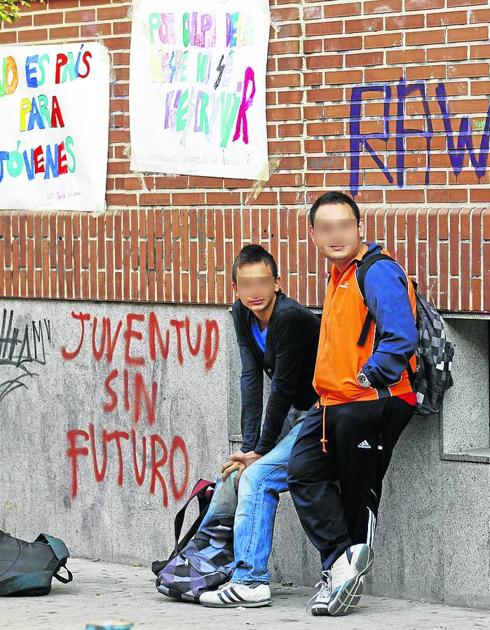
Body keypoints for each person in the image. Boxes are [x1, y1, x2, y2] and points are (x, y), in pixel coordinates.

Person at [287, 191, 418, 617]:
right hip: (333, 402)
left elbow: (402, 334)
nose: (336, 235)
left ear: (360, 228)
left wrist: (368, 376)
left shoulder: (376, 272)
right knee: (303, 472)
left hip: (370, 401)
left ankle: (344, 574)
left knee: (357, 494)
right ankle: (341, 565)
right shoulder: (339, 274)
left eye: (344, 226)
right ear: (312, 234)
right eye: (325, 228)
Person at [199, 244, 320, 608]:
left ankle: (251, 580)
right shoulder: (242, 313)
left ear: (277, 284)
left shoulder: (290, 318)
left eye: (262, 282)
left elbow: (281, 388)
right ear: (234, 288)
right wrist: (248, 446)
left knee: (256, 476)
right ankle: (208, 565)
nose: (254, 291)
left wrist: (260, 452)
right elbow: (250, 378)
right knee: (234, 473)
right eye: (245, 283)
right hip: (297, 412)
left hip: (324, 411)